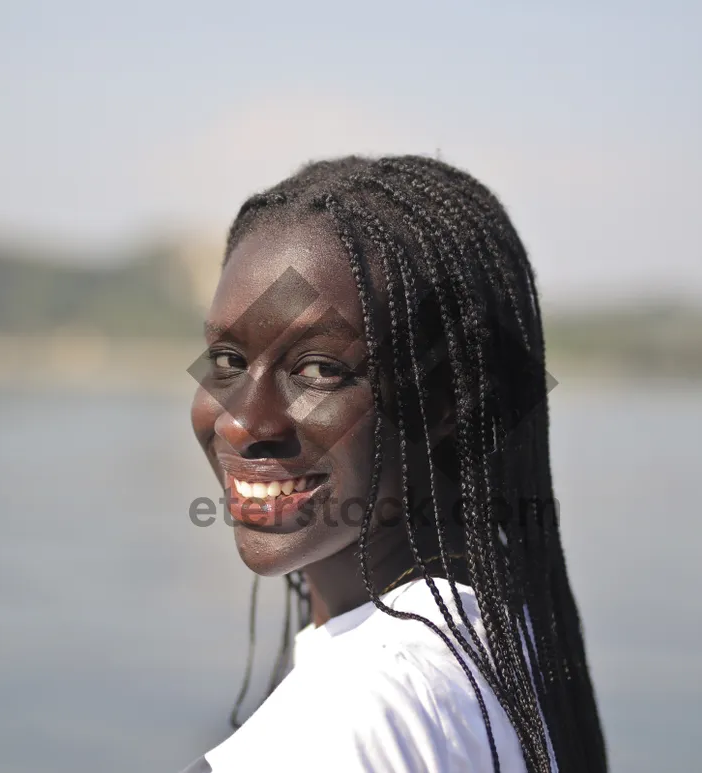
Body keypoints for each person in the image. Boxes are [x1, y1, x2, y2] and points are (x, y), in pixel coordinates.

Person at [186, 155, 607, 772]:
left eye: (319, 369)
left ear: (447, 403)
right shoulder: (497, 645)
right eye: (225, 360)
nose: (240, 422)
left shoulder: (332, 732)